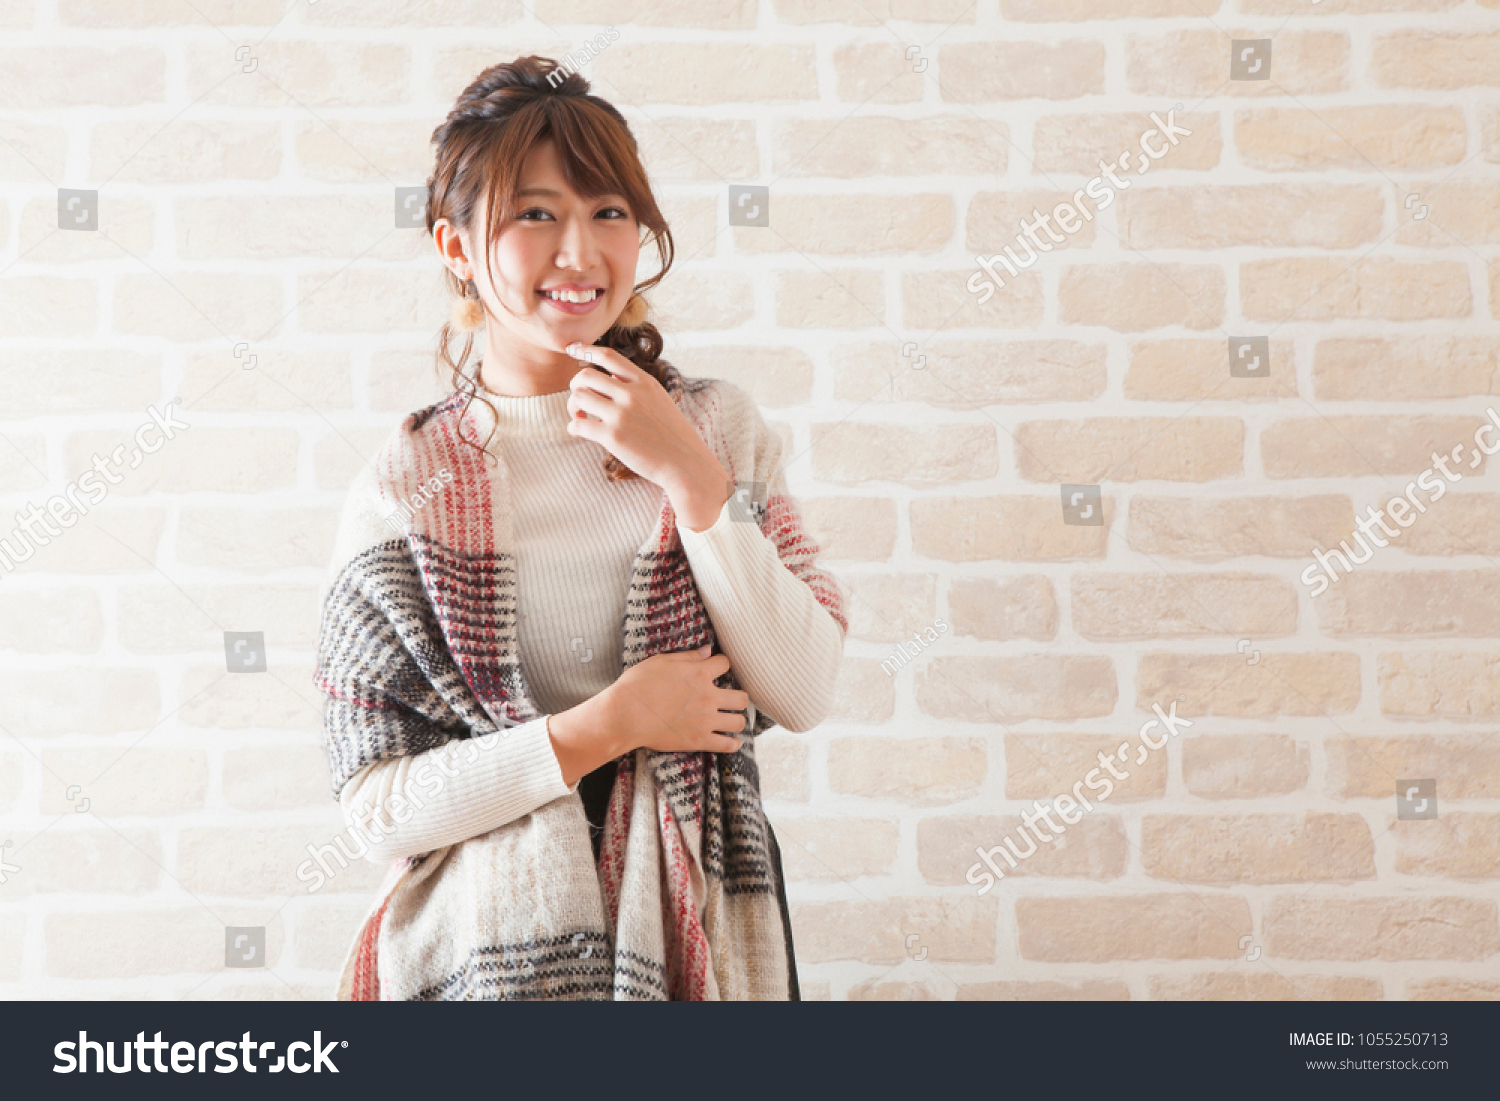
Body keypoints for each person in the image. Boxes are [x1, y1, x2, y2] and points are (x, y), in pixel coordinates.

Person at [313, 56, 847, 1001]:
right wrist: (615, 722)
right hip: (484, 958)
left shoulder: (717, 430)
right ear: (453, 244)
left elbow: (802, 687)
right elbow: (375, 807)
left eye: (609, 212)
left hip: (706, 933)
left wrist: (687, 474)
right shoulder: (408, 492)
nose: (580, 252)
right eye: (534, 213)